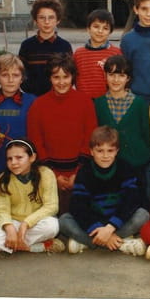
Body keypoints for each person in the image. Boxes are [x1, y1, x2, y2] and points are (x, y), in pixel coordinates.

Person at [58, 126, 150, 255]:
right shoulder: (84, 172)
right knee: (64, 221)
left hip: (118, 221)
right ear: (91, 151)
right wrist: (98, 229)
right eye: (100, 151)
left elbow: (131, 201)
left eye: (110, 150)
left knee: (143, 215)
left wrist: (111, 227)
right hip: (94, 221)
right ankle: (120, 244)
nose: (105, 156)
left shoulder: (125, 168)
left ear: (117, 151)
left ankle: (87, 242)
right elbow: (78, 206)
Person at [26, 53, 97, 214]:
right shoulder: (38, 105)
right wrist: (54, 175)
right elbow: (36, 141)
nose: (61, 82)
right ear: (49, 78)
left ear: (73, 77)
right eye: (56, 77)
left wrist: (77, 173)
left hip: (80, 172)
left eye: (66, 77)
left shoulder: (85, 102)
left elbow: (90, 138)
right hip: (49, 173)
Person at [0, 138, 64, 256]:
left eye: (19, 158)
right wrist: (9, 228)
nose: (13, 162)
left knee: (52, 226)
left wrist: (26, 224)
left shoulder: (45, 174)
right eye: (9, 159)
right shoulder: (4, 179)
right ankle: (37, 247)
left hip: (36, 223)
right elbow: (2, 210)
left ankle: (6, 246)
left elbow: (51, 206)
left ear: (32, 157)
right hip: (14, 223)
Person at [93, 54, 150, 188]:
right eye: (111, 75)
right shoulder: (99, 103)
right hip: (108, 164)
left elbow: (146, 134)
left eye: (121, 75)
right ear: (105, 76)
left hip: (136, 162)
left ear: (128, 78)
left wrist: (144, 155)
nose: (116, 80)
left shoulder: (139, 103)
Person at [0, 53, 35, 194]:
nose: (10, 80)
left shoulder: (32, 102)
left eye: (15, 75)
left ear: (22, 78)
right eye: (5, 75)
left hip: (25, 168)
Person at [18, 0, 73, 96]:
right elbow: (21, 74)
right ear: (35, 20)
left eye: (51, 17)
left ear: (58, 20)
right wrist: (32, 92)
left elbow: (70, 74)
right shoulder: (26, 45)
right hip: (34, 98)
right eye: (42, 17)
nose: (46, 22)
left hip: (58, 97)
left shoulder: (65, 46)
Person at [73, 8, 122, 99]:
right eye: (96, 27)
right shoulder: (78, 54)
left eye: (105, 28)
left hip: (108, 101)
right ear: (88, 29)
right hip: (84, 101)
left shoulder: (116, 53)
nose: (100, 31)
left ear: (110, 32)